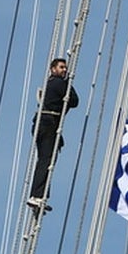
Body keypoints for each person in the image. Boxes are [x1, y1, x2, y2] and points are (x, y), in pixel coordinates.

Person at [28, 57, 80, 208]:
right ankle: (37, 195)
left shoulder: (51, 84)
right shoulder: (58, 83)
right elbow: (75, 101)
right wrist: (68, 82)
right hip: (47, 123)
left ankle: (40, 195)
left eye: (65, 68)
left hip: (44, 123)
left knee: (46, 160)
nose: (64, 70)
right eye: (61, 67)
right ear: (53, 69)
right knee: (46, 160)